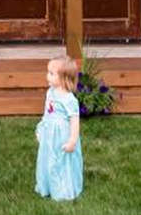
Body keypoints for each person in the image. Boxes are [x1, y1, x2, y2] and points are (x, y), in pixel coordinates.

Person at [35, 56, 84, 201]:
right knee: (48, 159)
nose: (47, 76)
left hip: (62, 135)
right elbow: (47, 112)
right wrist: (41, 127)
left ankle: (63, 189)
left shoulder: (69, 100)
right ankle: (48, 185)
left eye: (51, 73)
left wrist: (72, 141)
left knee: (61, 161)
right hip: (49, 133)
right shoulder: (50, 92)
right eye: (47, 72)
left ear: (64, 78)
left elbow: (74, 121)